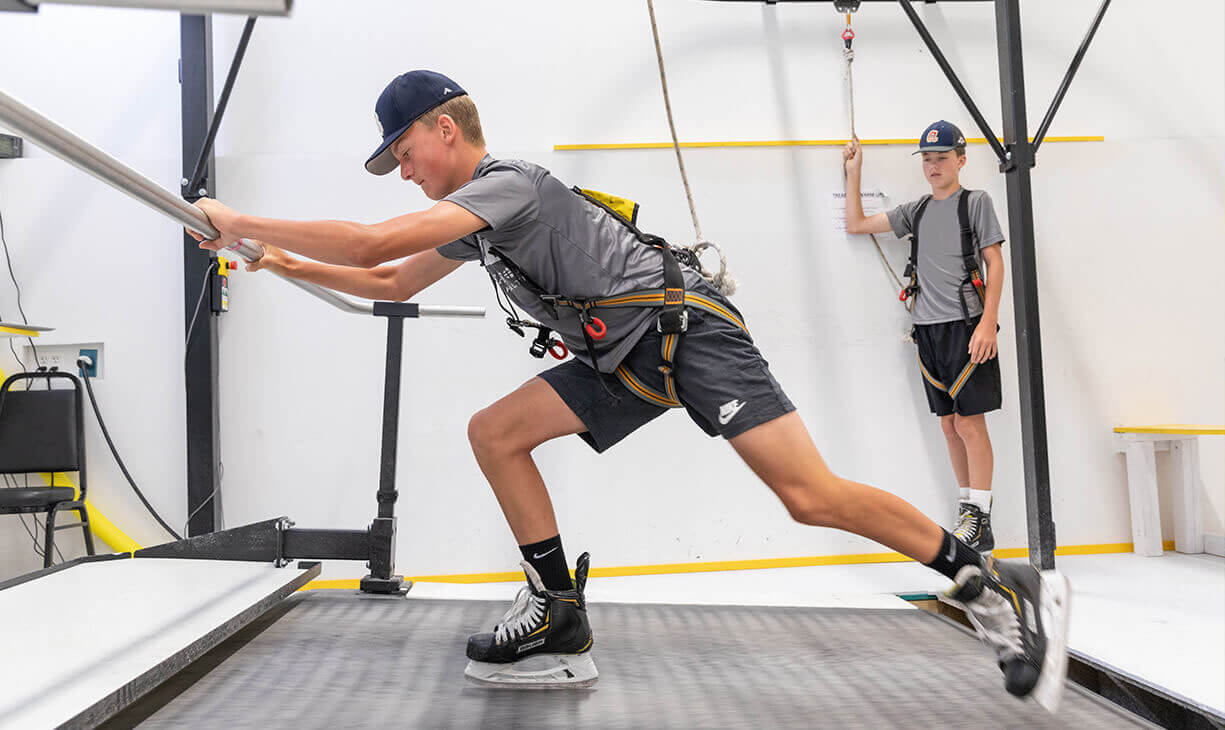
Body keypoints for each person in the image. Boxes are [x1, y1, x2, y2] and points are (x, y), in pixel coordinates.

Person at [190, 71, 1067, 706]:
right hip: (622, 358)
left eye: (405, 151)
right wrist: (276, 261)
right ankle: (555, 608)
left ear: (444, 130)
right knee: (495, 432)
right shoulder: (481, 223)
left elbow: (376, 244)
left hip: (686, 334)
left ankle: (987, 585)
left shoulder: (508, 186)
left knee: (809, 498)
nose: (405, 168)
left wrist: (243, 216)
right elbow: (389, 282)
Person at [843, 121, 1006, 554]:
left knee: (971, 423)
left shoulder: (975, 203)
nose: (934, 166)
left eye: (942, 158)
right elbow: (857, 224)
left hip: (968, 326)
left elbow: (995, 263)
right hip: (928, 331)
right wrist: (854, 171)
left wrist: (989, 322)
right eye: (928, 159)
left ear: (961, 160)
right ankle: (969, 513)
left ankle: (982, 516)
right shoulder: (915, 210)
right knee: (950, 425)